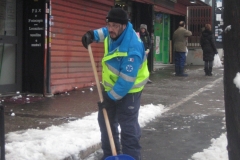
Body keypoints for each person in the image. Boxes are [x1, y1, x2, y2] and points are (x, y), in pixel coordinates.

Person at [81, 8, 149, 160]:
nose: (110, 29)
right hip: (111, 88)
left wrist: (110, 99)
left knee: (128, 127)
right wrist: (91, 35)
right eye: (109, 24)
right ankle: (110, 155)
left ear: (124, 26)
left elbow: (126, 81)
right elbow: (105, 33)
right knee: (106, 121)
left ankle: (131, 157)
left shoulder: (133, 48)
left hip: (130, 90)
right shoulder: (113, 32)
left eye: (115, 26)